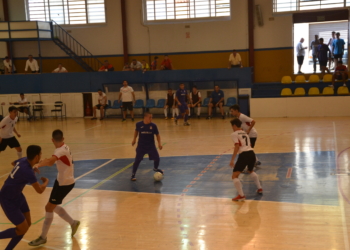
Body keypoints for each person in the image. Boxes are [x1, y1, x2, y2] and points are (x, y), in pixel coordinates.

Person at [28, 130, 80, 247]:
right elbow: (52, 159)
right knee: (52, 206)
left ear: (52, 140)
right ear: (63, 138)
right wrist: (41, 162)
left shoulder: (59, 150)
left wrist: (37, 164)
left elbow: (51, 162)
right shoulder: (64, 147)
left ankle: (43, 237)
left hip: (65, 183)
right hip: (61, 180)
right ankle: (73, 223)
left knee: (49, 207)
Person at [0, 145, 48, 250]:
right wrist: (46, 182)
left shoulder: (23, 160)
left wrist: (29, 169)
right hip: (7, 199)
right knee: (22, 228)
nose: (41, 156)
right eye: (40, 154)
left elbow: (14, 163)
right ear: (36, 157)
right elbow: (40, 190)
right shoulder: (28, 171)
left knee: (27, 225)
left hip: (18, 196)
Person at [229, 118, 262, 202]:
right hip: (252, 153)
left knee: (234, 176)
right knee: (250, 170)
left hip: (244, 155)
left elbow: (237, 146)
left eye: (232, 126)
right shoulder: (245, 133)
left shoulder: (234, 134)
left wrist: (232, 159)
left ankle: (241, 195)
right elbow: (249, 144)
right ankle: (259, 188)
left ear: (234, 126)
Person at [131, 112, 163, 181]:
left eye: (151, 117)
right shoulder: (139, 124)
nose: (151, 119)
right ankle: (133, 175)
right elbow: (136, 131)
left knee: (157, 158)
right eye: (150, 117)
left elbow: (157, 135)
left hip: (151, 146)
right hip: (141, 146)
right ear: (145, 117)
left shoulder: (153, 126)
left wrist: (159, 143)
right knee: (137, 160)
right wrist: (134, 139)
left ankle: (155, 168)